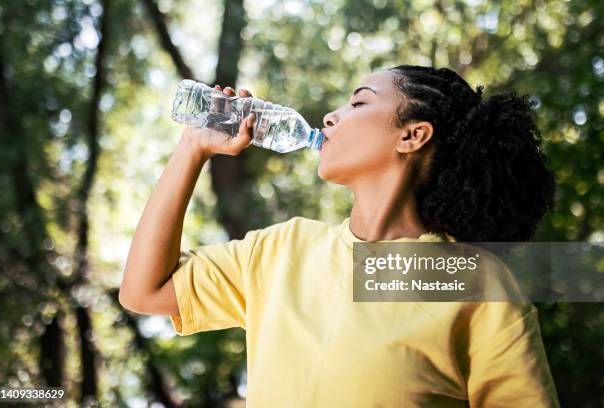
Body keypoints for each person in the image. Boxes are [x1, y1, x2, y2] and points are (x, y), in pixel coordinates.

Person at [119, 65, 560, 407]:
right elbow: (144, 291)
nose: (331, 116)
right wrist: (193, 147)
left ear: (412, 135)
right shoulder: (281, 250)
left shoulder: (477, 285)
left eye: (359, 104)